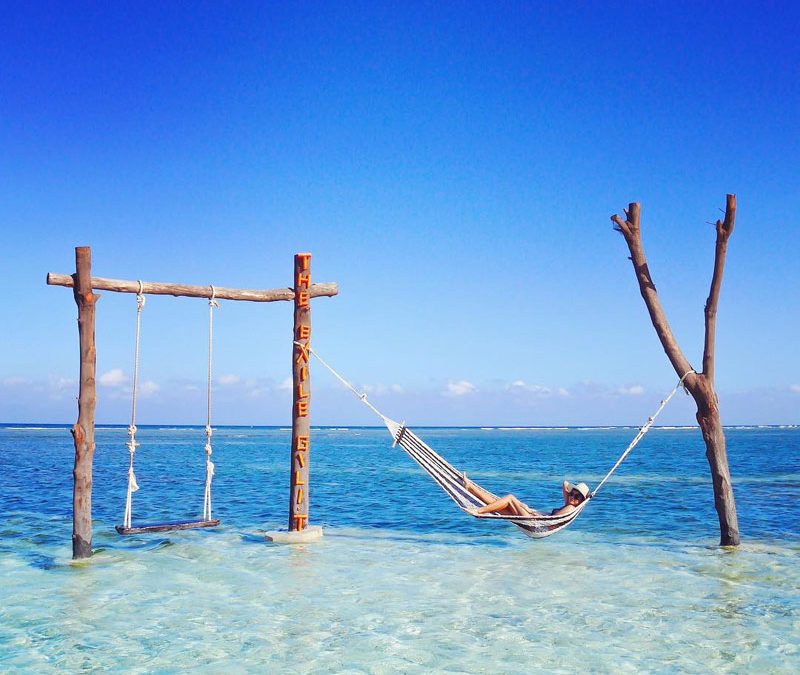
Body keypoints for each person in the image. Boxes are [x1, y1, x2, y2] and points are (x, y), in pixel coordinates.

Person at [463, 477, 590, 517]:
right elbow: (565, 484)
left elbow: (550, 522)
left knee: (510, 498)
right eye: (573, 493)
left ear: (581, 501)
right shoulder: (568, 504)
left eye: (577, 496)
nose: (573, 496)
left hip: (535, 523)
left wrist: (530, 511)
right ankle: (472, 489)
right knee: (498, 504)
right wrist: (586, 497)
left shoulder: (569, 509)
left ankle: (478, 511)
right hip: (532, 518)